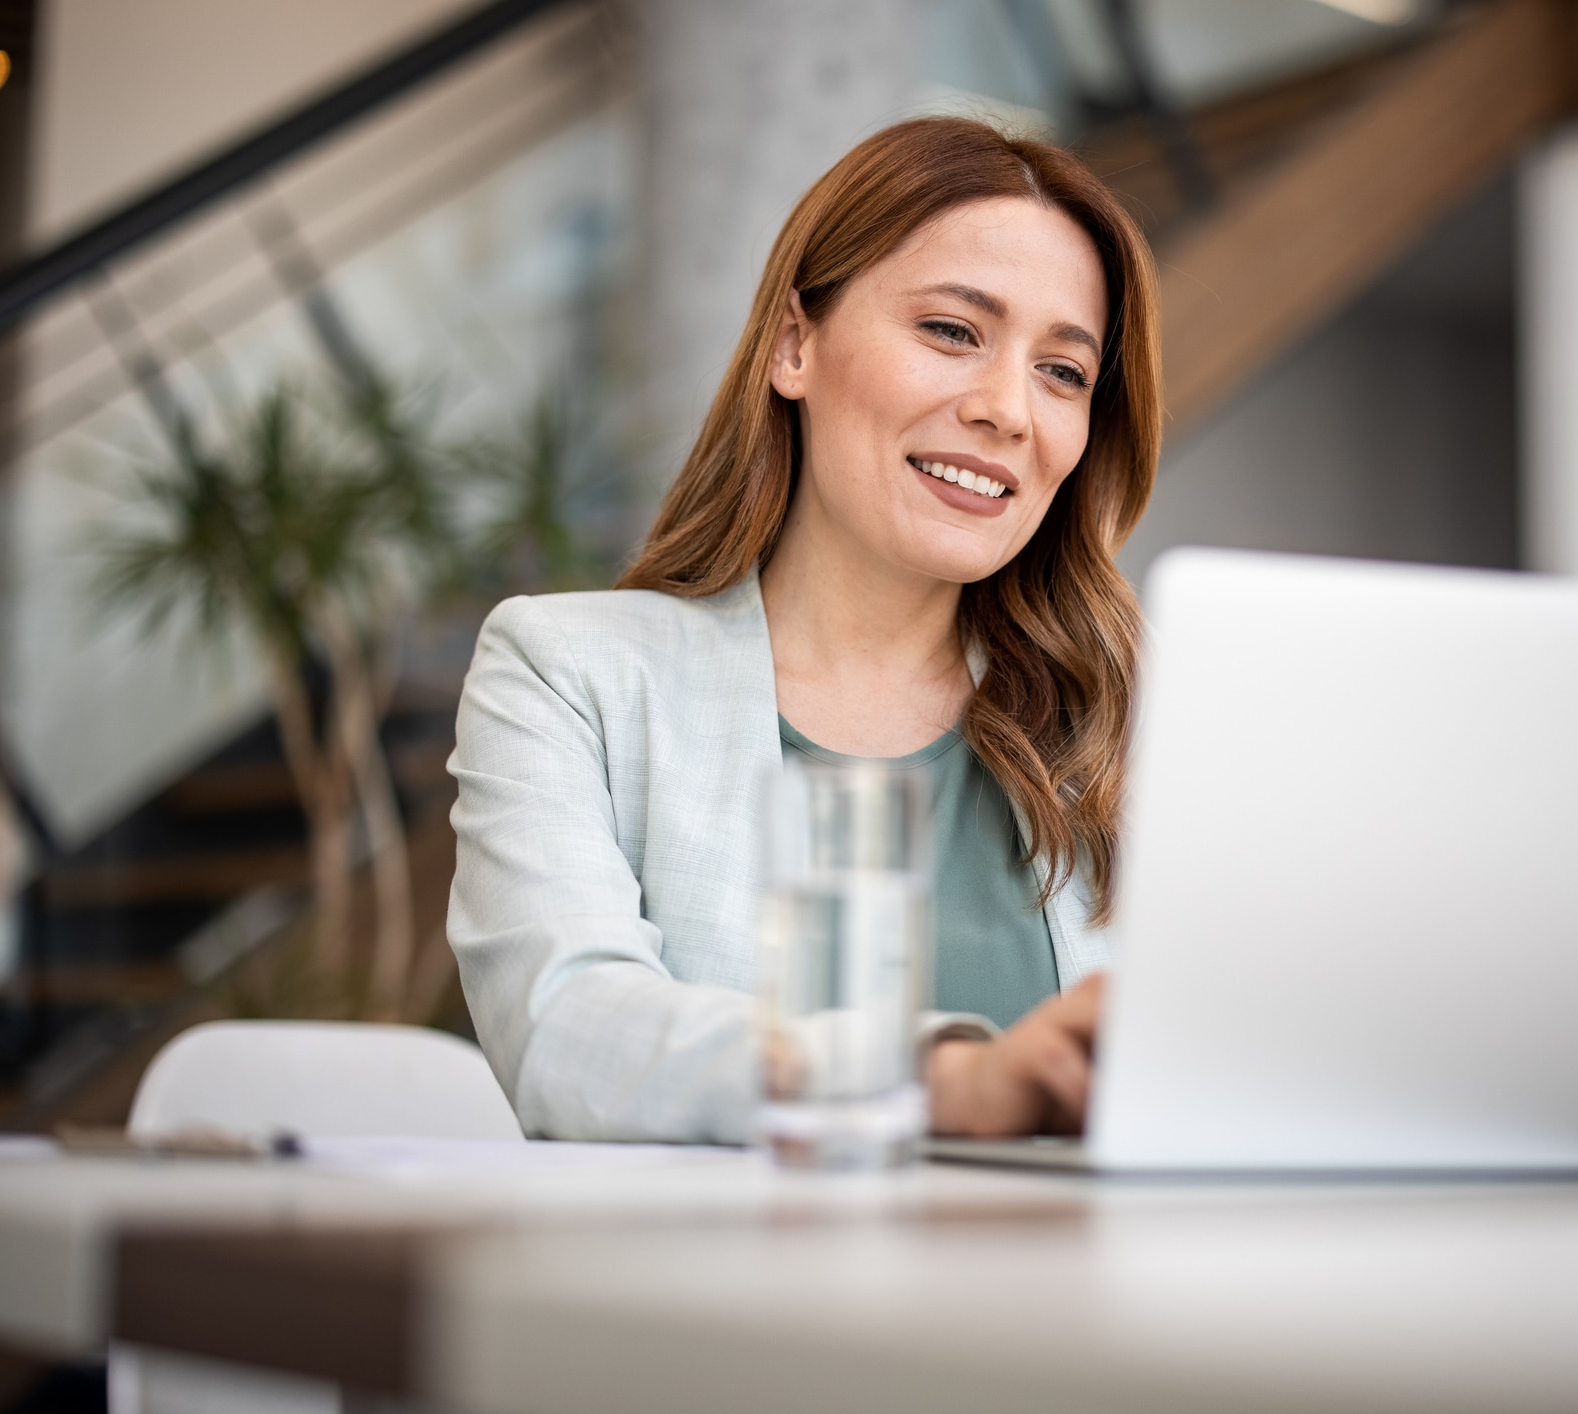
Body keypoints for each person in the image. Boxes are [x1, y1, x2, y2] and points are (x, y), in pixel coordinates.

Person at [447, 116, 1160, 1143]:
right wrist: (941, 1081)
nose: (1008, 409)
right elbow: (568, 1030)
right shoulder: (569, 672)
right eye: (952, 331)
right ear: (794, 344)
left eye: (1063, 372)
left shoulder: (1130, 726)